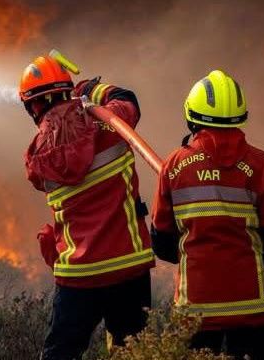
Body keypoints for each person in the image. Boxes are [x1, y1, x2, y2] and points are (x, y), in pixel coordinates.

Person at [150, 70, 264, 360]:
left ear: (191, 117)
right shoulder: (260, 165)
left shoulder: (173, 166)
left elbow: (163, 246)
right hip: (255, 309)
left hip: (195, 311)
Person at [19, 52, 155, 360]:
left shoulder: (36, 157)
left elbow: (43, 172)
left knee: (61, 353)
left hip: (79, 274)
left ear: (33, 106)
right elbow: (127, 98)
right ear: (66, 90)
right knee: (133, 353)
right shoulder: (112, 123)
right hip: (128, 265)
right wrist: (91, 89)